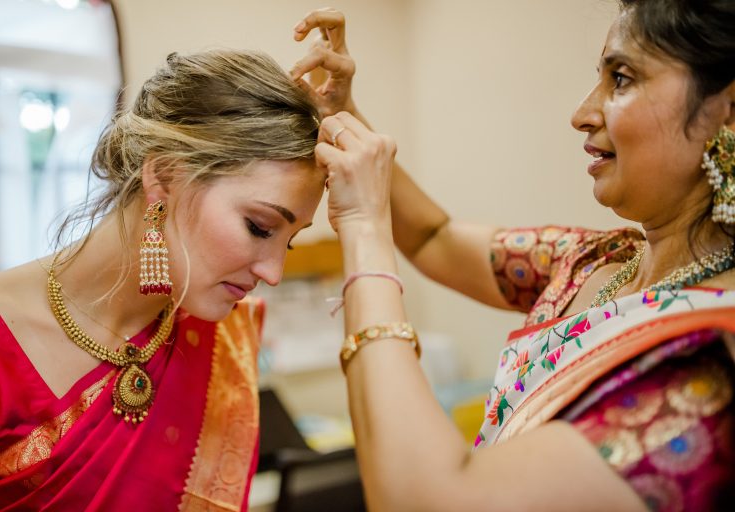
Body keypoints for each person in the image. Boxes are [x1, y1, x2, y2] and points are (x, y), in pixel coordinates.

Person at [291, 1, 735, 510]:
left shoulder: (709, 364)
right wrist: (340, 115)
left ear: (727, 112)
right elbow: (434, 237)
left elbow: (428, 501)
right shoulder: (593, 260)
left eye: (623, 78)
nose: (583, 113)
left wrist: (364, 229)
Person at [0, 49, 326, 510]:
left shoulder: (219, 340)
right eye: (258, 227)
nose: (273, 273)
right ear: (165, 174)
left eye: (290, 241)